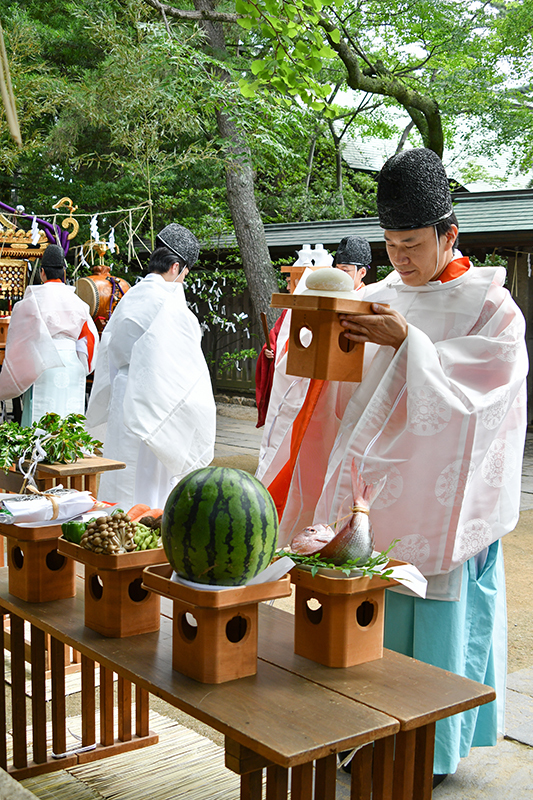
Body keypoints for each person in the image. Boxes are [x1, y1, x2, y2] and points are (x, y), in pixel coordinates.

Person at [256, 148, 528, 781]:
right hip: (369, 484)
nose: (399, 258)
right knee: (366, 601)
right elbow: (330, 389)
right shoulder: (373, 296)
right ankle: (360, 734)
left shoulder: (491, 307)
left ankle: (431, 749)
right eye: (391, 244)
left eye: (411, 244)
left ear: (449, 232)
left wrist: (409, 342)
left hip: (439, 488)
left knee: (433, 605)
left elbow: (483, 397)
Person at [85, 223, 216, 511]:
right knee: (149, 482)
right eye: (185, 273)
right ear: (175, 267)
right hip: (156, 401)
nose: (183, 280)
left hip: (123, 396)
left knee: (122, 474)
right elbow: (185, 364)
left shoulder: (131, 296)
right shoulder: (168, 303)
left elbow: (109, 347)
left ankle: (113, 531)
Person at [255, 237, 370, 427]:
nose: (340, 275)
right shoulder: (324, 297)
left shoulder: (368, 298)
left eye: (346, 271)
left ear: (362, 272)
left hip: (348, 372)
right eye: (338, 269)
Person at [0, 244, 98, 424]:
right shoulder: (79, 304)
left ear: (42, 272)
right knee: (69, 427)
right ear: (64, 274)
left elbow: (19, 340)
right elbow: (89, 340)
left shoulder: (31, 301)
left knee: (40, 426)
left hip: (42, 364)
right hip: (72, 366)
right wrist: (82, 366)